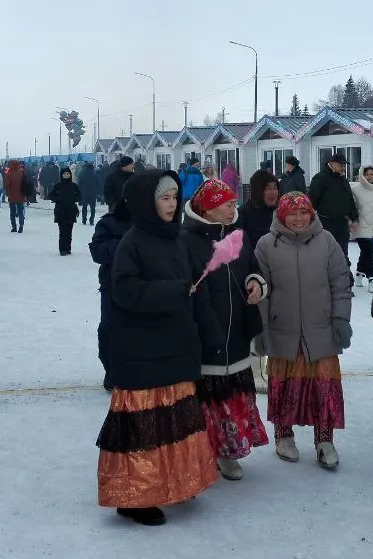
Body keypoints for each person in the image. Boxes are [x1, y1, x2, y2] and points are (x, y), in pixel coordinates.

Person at [97, 169, 219, 526]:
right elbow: (126, 291)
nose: (170, 204)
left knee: (174, 423)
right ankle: (133, 498)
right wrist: (175, 291)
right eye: (163, 199)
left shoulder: (176, 238)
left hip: (175, 346)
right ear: (146, 204)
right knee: (144, 428)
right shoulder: (132, 242)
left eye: (173, 198)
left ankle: (172, 482)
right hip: (142, 351)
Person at [254, 192, 352, 470]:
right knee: (284, 387)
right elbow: (260, 292)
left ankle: (325, 440)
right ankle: (283, 436)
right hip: (282, 329)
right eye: (292, 214)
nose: (298, 219)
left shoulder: (327, 241)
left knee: (324, 389)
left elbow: (340, 284)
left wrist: (341, 320)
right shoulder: (266, 245)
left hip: (320, 329)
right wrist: (260, 328)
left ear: (312, 213)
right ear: (281, 216)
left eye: (303, 213)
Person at [181, 179, 269, 481]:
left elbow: (253, 268)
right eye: (227, 203)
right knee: (207, 400)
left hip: (238, 334)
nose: (234, 207)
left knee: (233, 398)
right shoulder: (186, 241)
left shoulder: (237, 235)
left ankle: (229, 450)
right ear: (208, 207)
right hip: (205, 336)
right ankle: (206, 452)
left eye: (234, 203)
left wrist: (255, 283)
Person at [237, 169, 279, 394]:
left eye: (275, 187)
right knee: (257, 323)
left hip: (282, 275)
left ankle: (276, 366)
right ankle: (256, 370)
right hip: (255, 277)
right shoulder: (244, 214)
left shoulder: (283, 212)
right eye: (267, 188)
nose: (272, 192)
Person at [90, 194, 132, 391]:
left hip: (148, 285)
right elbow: (98, 252)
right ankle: (112, 371)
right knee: (110, 329)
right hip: (113, 284)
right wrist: (126, 244)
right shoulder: (109, 222)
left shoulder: (156, 222)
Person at [307, 153, 358, 264]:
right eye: (341, 165)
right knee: (326, 253)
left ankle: (345, 277)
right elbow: (311, 201)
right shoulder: (320, 178)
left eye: (344, 165)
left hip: (342, 223)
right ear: (332, 163)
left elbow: (349, 199)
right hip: (326, 222)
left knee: (343, 254)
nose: (343, 167)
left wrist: (354, 218)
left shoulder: (343, 179)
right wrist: (309, 219)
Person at [50, 167, 82, 256]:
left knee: (69, 231)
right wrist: (59, 199)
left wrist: (73, 199)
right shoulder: (58, 186)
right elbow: (51, 195)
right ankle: (62, 249)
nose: (66, 175)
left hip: (71, 210)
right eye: (64, 174)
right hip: (60, 211)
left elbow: (79, 196)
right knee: (62, 231)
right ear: (61, 175)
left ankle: (68, 248)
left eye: (68, 174)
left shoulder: (74, 185)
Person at [4, 160, 27, 233]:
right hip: (21, 196)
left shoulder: (9, 174)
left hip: (12, 196)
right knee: (20, 212)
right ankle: (21, 225)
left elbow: (6, 185)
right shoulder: (21, 173)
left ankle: (14, 227)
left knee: (12, 212)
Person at [78, 161, 101, 225]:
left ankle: (84, 220)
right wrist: (97, 192)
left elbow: (79, 185)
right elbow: (98, 184)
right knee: (92, 208)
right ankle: (91, 220)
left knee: (84, 207)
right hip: (93, 194)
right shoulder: (96, 175)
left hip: (84, 194)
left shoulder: (82, 174)